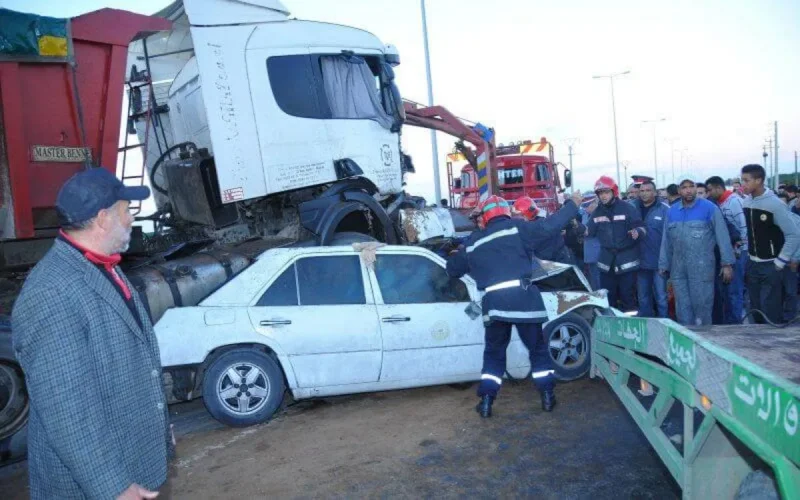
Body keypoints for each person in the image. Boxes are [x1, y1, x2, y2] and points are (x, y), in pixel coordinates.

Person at [12, 168, 173, 499]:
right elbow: (68, 411)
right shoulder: (52, 292)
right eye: (126, 210)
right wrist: (113, 487)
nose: (131, 219)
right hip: (95, 487)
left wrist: (158, 426)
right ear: (103, 218)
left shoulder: (102, 265)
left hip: (133, 458)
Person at [447, 191, 583, 418]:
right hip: (524, 301)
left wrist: (457, 254)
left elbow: (452, 269)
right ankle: (548, 397)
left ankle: (487, 402)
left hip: (495, 305)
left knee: (494, 353)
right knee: (538, 350)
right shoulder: (519, 229)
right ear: (506, 213)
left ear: (485, 217)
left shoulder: (474, 241)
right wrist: (572, 205)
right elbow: (550, 226)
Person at [659, 179, 734, 325]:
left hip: (702, 267)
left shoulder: (709, 208)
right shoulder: (672, 211)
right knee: (682, 307)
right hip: (678, 268)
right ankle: (686, 342)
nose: (688, 190)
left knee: (702, 306)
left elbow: (722, 236)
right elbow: (666, 241)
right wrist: (664, 264)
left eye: (691, 187)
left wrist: (727, 263)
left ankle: (704, 340)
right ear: (679, 191)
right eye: (684, 187)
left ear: (696, 188)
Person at [741, 164, 800, 324]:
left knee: (771, 311)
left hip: (771, 265)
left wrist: (781, 261)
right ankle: (756, 346)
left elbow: (794, 234)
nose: (743, 184)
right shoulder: (746, 202)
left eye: (746, 180)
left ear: (759, 180)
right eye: (742, 180)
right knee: (755, 309)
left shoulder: (775, 204)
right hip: (752, 264)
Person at [586, 176, 644, 311]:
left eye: (606, 192)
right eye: (600, 193)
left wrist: (638, 232)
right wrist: (577, 228)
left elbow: (641, 227)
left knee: (628, 297)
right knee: (608, 298)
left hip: (627, 262)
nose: (603, 196)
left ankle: (631, 327)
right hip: (606, 263)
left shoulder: (627, 208)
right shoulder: (596, 212)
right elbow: (588, 232)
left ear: (614, 192)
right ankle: (613, 327)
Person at [706, 176, 748, 323]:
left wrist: (738, 249)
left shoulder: (734, 201)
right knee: (727, 292)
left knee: (734, 292)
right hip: (728, 253)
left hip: (738, 253)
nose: (708, 193)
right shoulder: (719, 204)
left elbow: (744, 227)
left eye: (710, 190)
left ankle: (735, 324)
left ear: (718, 188)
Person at [512, 196, 582, 265]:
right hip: (557, 262)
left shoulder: (534, 227)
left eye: (520, 215)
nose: (518, 219)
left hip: (557, 262)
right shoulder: (542, 223)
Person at [634, 181, 669, 317]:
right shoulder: (633, 208)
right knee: (643, 299)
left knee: (661, 299)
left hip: (658, 263)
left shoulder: (665, 209)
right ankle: (647, 329)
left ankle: (665, 327)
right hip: (640, 264)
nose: (644, 193)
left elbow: (669, 238)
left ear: (655, 192)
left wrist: (666, 261)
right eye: (642, 191)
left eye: (648, 190)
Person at [581, 196, 602, 290]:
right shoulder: (584, 214)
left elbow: (588, 231)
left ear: (595, 203)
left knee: (599, 280)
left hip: (598, 253)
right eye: (584, 205)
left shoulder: (600, 215)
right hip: (589, 253)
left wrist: (579, 229)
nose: (585, 208)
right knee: (593, 278)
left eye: (587, 205)